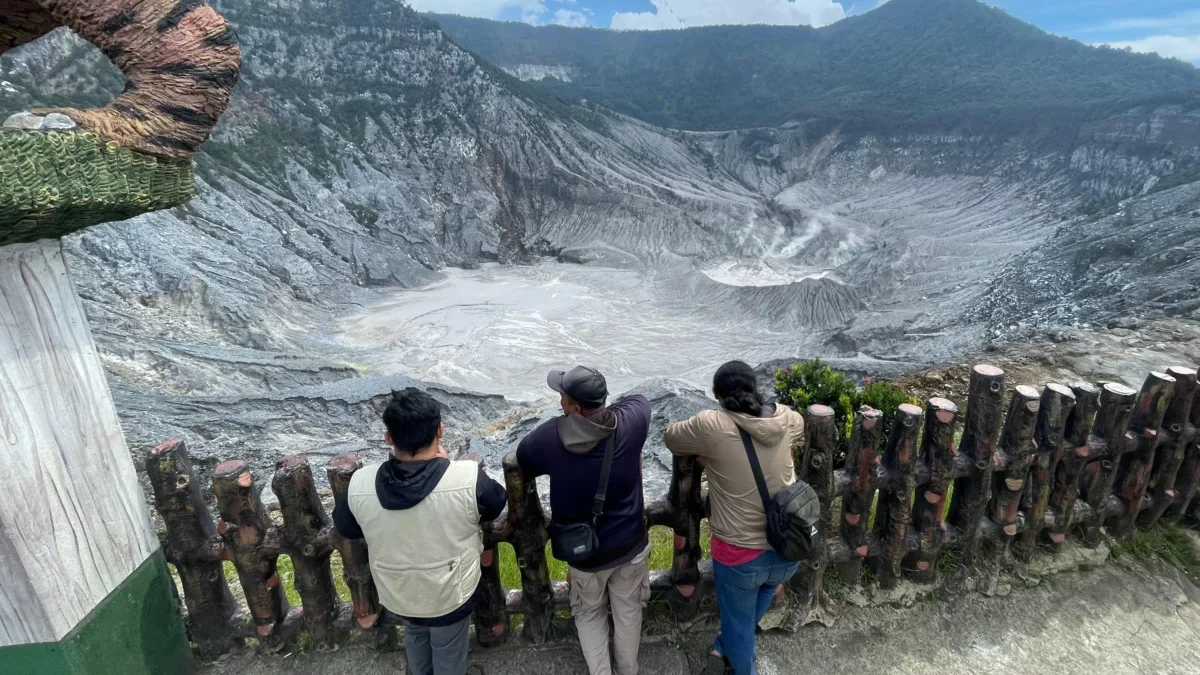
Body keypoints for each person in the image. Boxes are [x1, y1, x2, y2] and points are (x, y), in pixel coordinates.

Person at [333, 388, 506, 675]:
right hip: (451, 590)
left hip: (397, 590)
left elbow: (347, 527)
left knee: (415, 632)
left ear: (389, 437)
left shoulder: (360, 483)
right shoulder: (465, 477)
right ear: (440, 430)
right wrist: (447, 465)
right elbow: (495, 503)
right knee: (448, 644)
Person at [664, 361, 805, 675]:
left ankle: (743, 665)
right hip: (789, 546)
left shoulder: (712, 425)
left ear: (718, 395)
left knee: (739, 625)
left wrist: (707, 452)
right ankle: (726, 645)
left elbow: (672, 437)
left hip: (741, 557)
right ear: (754, 389)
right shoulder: (785, 417)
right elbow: (799, 428)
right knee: (764, 590)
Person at [516, 366, 652, 675]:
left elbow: (523, 458)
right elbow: (642, 400)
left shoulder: (551, 437)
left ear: (575, 408)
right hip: (631, 544)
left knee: (589, 614)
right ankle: (627, 670)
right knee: (628, 610)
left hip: (585, 554)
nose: (559, 402)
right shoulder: (631, 422)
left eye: (562, 397)